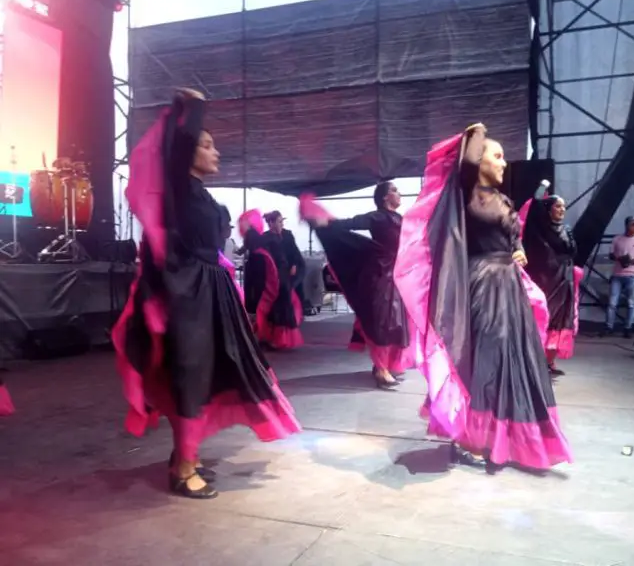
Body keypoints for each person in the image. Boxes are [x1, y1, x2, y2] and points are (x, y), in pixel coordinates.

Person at [111, 89, 301, 500]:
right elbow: (178, 145)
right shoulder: (178, 185)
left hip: (211, 292)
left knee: (210, 373)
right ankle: (182, 469)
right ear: (187, 152)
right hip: (188, 293)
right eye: (207, 144)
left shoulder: (199, 193)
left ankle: (186, 455)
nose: (217, 153)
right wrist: (193, 107)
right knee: (192, 375)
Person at [393, 124, 571, 472]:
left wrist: (518, 252)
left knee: (513, 362)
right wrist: (477, 132)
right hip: (481, 287)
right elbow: (467, 159)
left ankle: (510, 440)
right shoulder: (466, 193)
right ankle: (467, 439)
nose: (504, 163)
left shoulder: (503, 200)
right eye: (497, 155)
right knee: (483, 363)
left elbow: (512, 238)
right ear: (480, 161)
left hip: (509, 289)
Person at [300, 181, 411, 389]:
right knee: (380, 321)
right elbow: (348, 224)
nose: (399, 194)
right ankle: (380, 369)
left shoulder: (400, 219)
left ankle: (385, 365)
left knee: (394, 322)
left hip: (394, 275)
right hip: (378, 275)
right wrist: (324, 222)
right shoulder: (376, 217)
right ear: (385, 197)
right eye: (395, 190)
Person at [520, 188, 582, 376]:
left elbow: (573, 252)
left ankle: (549, 362)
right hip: (547, 279)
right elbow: (534, 207)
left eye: (564, 207)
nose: (562, 210)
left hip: (565, 280)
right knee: (544, 316)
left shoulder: (567, 230)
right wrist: (541, 187)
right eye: (558, 206)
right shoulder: (540, 229)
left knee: (561, 320)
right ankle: (534, 361)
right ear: (549, 209)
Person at [241, 210, 304, 349]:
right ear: (271, 223)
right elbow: (253, 248)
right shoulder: (265, 238)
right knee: (275, 304)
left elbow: (294, 251)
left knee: (284, 303)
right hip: (273, 275)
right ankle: (271, 337)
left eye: (282, 221)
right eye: (279, 221)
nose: (282, 224)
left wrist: (294, 264)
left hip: (286, 273)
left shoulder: (287, 235)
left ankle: (278, 337)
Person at [604, 215, 634, 338]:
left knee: (631, 303)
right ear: (627, 226)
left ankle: (628, 328)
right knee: (612, 303)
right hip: (618, 274)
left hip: (633, 274)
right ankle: (609, 326)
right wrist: (619, 258)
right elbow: (611, 255)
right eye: (633, 225)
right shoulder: (617, 239)